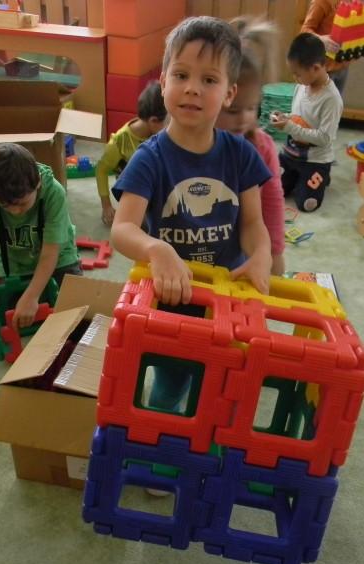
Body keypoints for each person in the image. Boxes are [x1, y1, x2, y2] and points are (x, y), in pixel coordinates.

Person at [111, 16, 272, 412]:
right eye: (181, 75)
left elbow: (252, 222)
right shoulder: (149, 159)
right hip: (173, 296)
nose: (192, 88)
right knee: (171, 383)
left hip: (227, 295)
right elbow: (123, 228)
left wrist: (261, 254)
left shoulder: (241, 154)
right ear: (163, 81)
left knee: (222, 383)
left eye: (209, 80)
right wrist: (156, 249)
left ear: (229, 93)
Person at [0, 143, 81, 329]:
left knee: (77, 314)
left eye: (22, 203)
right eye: (5, 205)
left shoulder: (54, 192)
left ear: (38, 183)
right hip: (14, 266)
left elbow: (50, 252)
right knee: (11, 322)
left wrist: (31, 296)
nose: (15, 211)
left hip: (59, 260)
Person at [216, 17, 286, 275]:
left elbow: (272, 203)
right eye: (233, 110)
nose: (244, 118)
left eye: (252, 107)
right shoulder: (188, 142)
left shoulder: (261, 147)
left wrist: (274, 253)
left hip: (241, 254)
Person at [270, 32, 342, 213]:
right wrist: (285, 117)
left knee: (307, 204)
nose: (295, 79)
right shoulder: (301, 87)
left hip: (315, 160)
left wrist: (289, 127)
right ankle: (299, 177)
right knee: (271, 189)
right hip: (290, 154)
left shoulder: (331, 99)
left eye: (298, 74)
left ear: (316, 68)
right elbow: (298, 116)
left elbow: (324, 138)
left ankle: (322, 174)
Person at [95, 81, 167, 227]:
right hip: (136, 191)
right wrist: (106, 205)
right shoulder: (119, 142)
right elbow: (101, 170)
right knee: (144, 224)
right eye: (169, 121)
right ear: (153, 121)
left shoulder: (162, 133)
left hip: (157, 186)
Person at [300, 0, 350, 95]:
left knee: (336, 102)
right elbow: (304, 31)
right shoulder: (322, 2)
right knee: (317, 102)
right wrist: (321, 40)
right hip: (322, 69)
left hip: (342, 65)